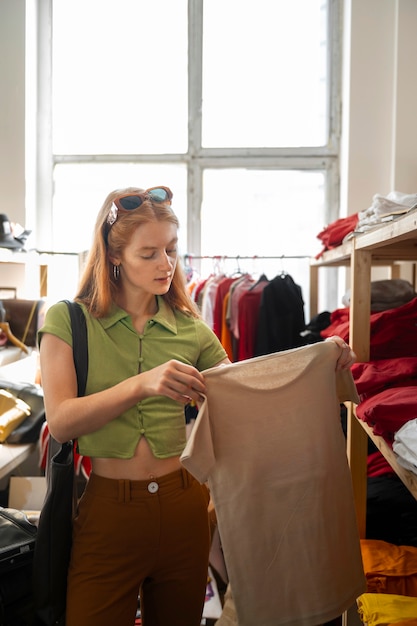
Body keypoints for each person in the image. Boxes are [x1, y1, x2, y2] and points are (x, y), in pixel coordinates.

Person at [38, 185, 356, 626]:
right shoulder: (68, 320)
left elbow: (244, 389)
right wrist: (142, 385)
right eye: (148, 253)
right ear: (114, 256)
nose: (165, 264)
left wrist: (320, 359)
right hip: (109, 511)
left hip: (185, 506)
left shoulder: (188, 326)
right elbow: (62, 421)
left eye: (170, 250)